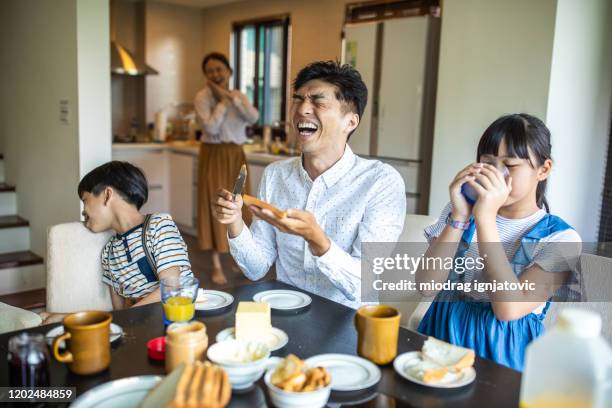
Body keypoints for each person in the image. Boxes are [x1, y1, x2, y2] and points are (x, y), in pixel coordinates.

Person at [212, 61, 406, 308]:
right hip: (286, 313)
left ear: (351, 122)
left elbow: (364, 285)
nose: (302, 109)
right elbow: (256, 268)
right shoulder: (276, 175)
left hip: (351, 323)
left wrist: (317, 240)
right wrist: (235, 221)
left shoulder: (380, 183)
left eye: (318, 101)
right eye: (298, 99)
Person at [416, 113, 582, 371]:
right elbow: (426, 285)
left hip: (500, 354)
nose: (496, 174)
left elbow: (507, 309)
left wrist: (485, 218)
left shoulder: (561, 239)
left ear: (543, 169)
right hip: (441, 338)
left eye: (510, 165)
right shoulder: (459, 212)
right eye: (488, 163)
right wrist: (459, 217)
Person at [41, 161, 194, 323]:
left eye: (85, 200)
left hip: (177, 320)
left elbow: (172, 289)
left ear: (107, 195)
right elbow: (120, 313)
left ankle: (67, 319)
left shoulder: (159, 225)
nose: (83, 211)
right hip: (140, 325)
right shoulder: (109, 253)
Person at [194, 52, 258, 285]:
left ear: (229, 71)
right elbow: (210, 128)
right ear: (206, 75)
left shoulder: (238, 95)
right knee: (215, 203)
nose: (215, 74)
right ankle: (216, 263)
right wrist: (221, 102)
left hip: (236, 154)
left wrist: (233, 99)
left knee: (239, 202)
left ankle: (237, 255)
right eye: (210, 70)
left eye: (219, 69)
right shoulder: (202, 97)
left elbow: (253, 118)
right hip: (213, 153)